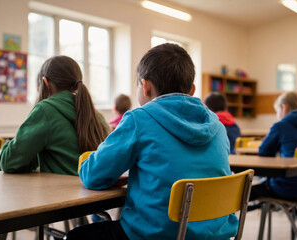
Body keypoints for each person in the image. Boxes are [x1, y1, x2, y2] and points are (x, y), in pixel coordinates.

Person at [66, 43, 238, 240]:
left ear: (145, 86)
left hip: (155, 235)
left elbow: (93, 176)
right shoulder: (218, 126)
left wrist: (87, 163)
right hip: (216, 236)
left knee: (76, 236)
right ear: (192, 90)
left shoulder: (138, 119)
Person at [0, 55, 109, 175]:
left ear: (45, 82)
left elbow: (8, 162)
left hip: (61, 193)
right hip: (99, 192)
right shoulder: (96, 116)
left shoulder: (45, 111)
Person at [249, 92, 297, 209]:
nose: (277, 115)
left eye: (277, 111)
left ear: (284, 107)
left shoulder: (281, 125)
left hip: (286, 188)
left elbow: (264, 152)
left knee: (243, 193)